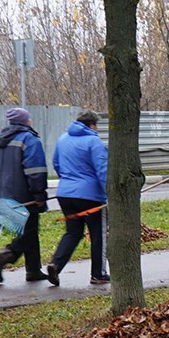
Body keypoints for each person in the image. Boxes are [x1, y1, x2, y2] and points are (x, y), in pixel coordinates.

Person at [46, 109, 109, 287]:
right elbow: (102, 170)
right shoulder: (94, 141)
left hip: (65, 194)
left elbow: (56, 164)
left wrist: (68, 182)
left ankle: (56, 265)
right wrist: (108, 194)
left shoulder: (63, 139)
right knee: (98, 235)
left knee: (73, 233)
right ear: (92, 124)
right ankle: (98, 274)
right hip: (90, 196)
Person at [0, 107, 49, 283]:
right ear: (26, 121)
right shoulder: (29, 140)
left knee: (30, 231)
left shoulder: (1, 143)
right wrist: (39, 194)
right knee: (28, 233)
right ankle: (3, 257)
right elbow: (36, 170)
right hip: (24, 195)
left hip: (4, 196)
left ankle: (33, 270)